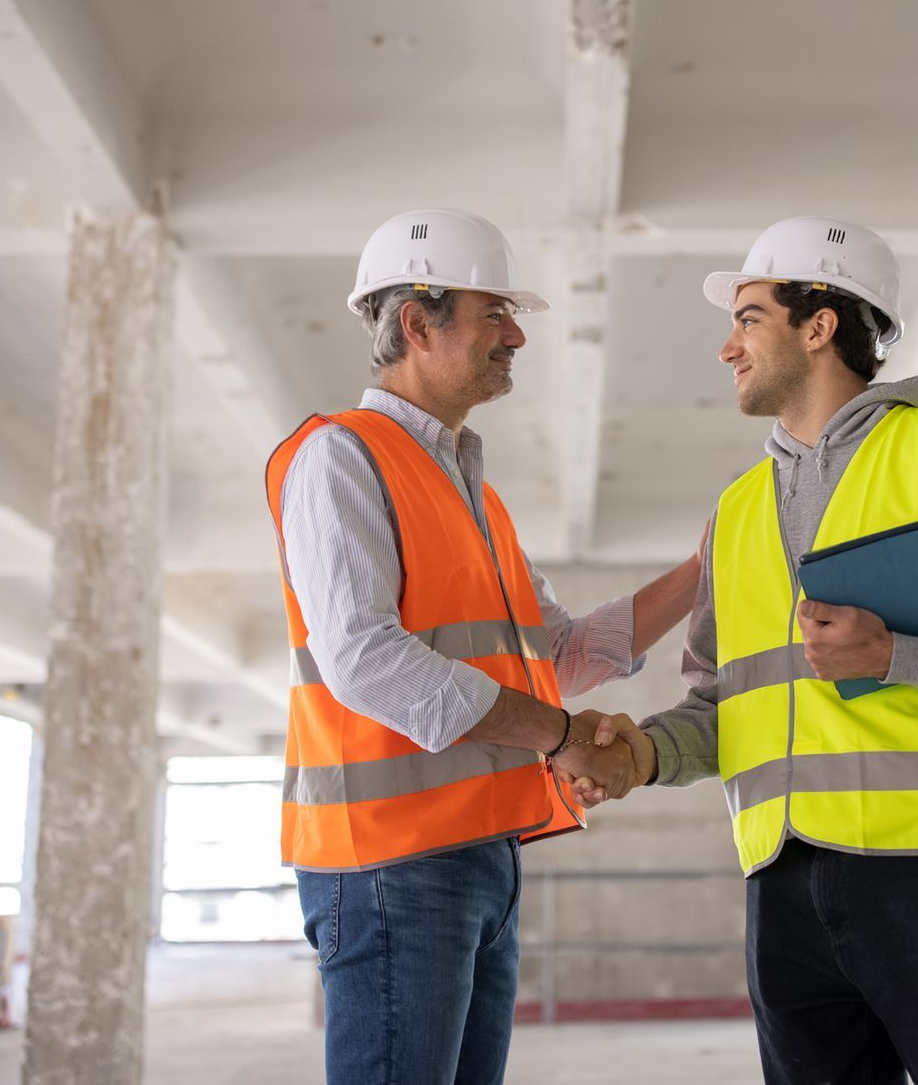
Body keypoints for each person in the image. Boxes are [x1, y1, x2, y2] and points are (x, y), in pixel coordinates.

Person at [586, 216, 918, 1085]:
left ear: (819, 325)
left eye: (749, 318)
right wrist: (645, 752)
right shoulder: (736, 511)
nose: (727, 347)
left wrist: (901, 655)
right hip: (781, 886)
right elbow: (725, 702)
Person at [264, 208, 696, 1085]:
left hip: (480, 854)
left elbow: (559, 654)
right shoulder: (341, 456)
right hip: (390, 862)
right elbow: (365, 659)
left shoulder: (472, 495)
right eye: (494, 312)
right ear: (418, 324)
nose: (516, 335)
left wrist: (705, 571)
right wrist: (561, 736)